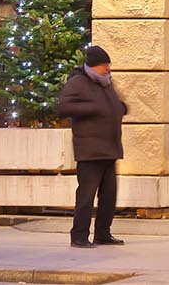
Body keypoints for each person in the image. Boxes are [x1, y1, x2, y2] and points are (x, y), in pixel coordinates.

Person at [55, 44, 128, 249]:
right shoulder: (78, 82)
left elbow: (113, 105)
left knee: (109, 197)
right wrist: (92, 108)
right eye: (104, 65)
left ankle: (103, 234)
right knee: (86, 196)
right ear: (94, 66)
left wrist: (121, 108)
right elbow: (63, 107)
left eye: (108, 65)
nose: (108, 69)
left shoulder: (106, 83)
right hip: (90, 151)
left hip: (109, 150)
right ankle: (79, 236)